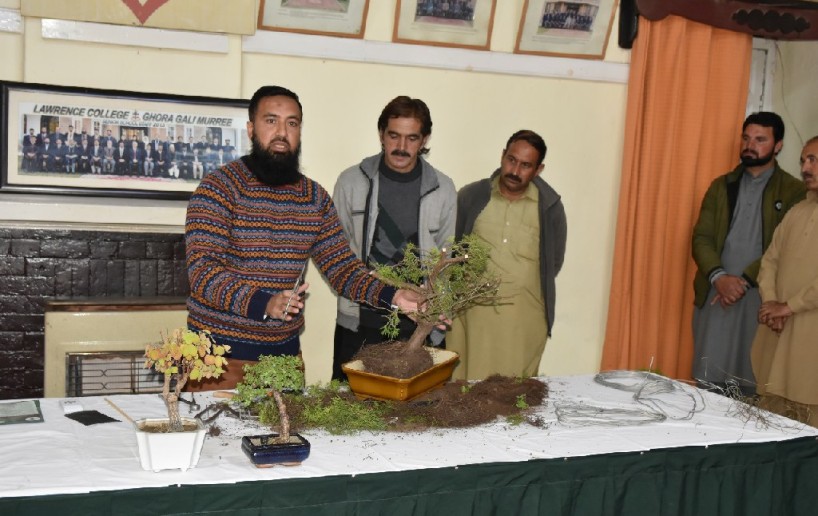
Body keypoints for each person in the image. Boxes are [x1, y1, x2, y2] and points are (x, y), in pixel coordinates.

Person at [185, 85, 423, 390]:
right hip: (217, 361)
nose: (282, 132)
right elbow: (203, 272)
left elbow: (343, 269)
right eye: (271, 121)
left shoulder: (314, 198)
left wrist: (394, 296)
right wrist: (263, 303)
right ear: (251, 129)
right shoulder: (218, 188)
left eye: (292, 123)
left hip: (284, 360)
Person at [331, 96, 457, 381]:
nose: (401, 146)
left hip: (419, 322)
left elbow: (446, 258)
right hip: (361, 320)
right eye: (394, 136)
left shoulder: (443, 189)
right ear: (381, 135)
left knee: (424, 404)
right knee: (349, 402)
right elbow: (336, 253)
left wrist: (436, 306)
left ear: (424, 139)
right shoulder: (351, 182)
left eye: (412, 138)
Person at [691, 112, 805, 394]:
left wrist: (741, 282)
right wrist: (719, 277)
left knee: (753, 382)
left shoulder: (794, 191)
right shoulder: (721, 186)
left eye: (760, 139)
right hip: (717, 295)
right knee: (708, 381)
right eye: (746, 138)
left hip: (761, 297)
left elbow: (784, 248)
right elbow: (701, 237)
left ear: (778, 145)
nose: (750, 145)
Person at [448, 129, 567, 380]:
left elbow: (553, 263)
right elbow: (453, 248)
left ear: (538, 169)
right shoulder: (471, 196)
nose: (515, 170)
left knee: (512, 394)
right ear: (502, 156)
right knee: (464, 390)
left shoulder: (549, 207)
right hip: (471, 319)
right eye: (511, 160)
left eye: (526, 165)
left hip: (522, 322)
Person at [751, 136, 818, 426]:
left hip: (809, 336)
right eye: (803, 160)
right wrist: (771, 305)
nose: (805, 168)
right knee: (772, 421)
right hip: (779, 332)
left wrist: (789, 307)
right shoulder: (797, 211)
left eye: (813, 160)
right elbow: (769, 261)